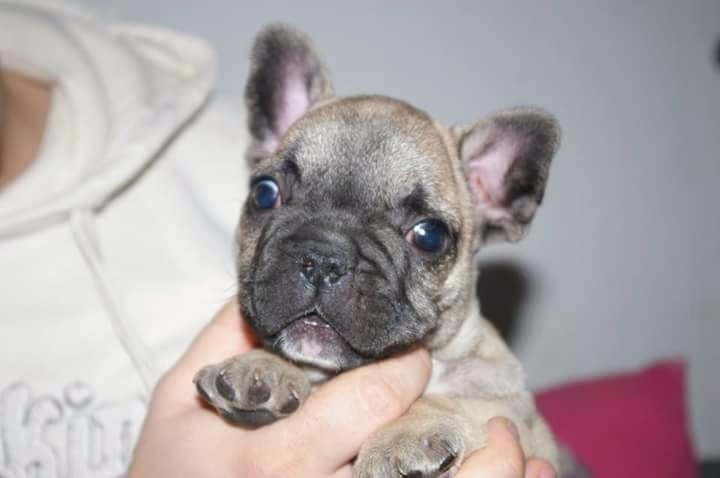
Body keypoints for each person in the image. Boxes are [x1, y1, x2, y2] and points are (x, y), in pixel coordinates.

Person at [0, 1, 555, 476]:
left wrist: (441, 421)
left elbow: (508, 424)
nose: (323, 263)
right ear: (266, 139)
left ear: (492, 200)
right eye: (273, 196)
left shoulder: (488, 380)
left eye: (424, 235)